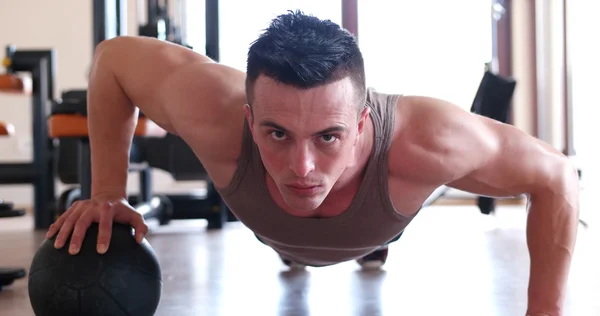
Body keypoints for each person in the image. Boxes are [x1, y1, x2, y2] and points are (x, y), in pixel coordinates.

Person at [46, 11, 579, 316]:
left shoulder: (429, 142)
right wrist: (108, 193)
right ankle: (293, 246)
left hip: (381, 218)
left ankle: (371, 241)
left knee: (359, 219)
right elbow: (113, 59)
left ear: (364, 124)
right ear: (250, 117)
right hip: (274, 227)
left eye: (328, 136)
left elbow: (556, 175)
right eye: (276, 133)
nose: (301, 165)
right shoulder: (212, 109)